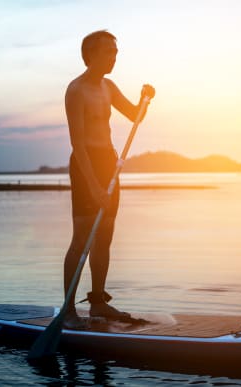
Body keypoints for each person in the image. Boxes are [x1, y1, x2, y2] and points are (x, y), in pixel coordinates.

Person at [63, 30, 155, 328]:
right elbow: (77, 144)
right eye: (108, 52)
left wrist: (145, 99)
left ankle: (99, 303)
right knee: (82, 239)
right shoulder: (76, 90)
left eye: (116, 51)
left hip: (108, 163)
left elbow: (135, 117)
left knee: (104, 238)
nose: (114, 57)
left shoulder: (109, 86)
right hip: (85, 164)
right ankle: (67, 311)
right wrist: (92, 186)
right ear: (91, 54)